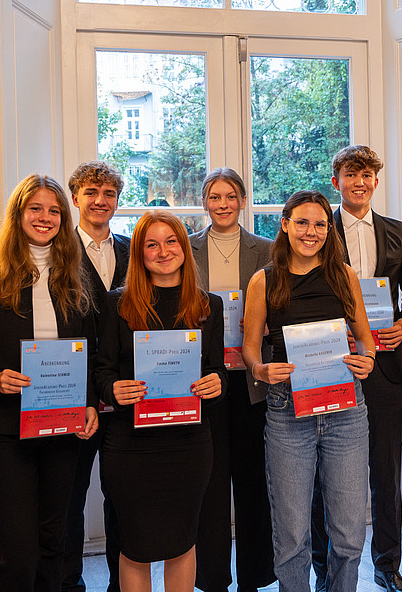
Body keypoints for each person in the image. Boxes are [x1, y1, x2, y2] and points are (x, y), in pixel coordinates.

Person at [0, 173, 99, 592]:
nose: (45, 217)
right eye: (35, 208)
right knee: (20, 551)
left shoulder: (78, 277)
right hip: (7, 430)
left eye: (54, 210)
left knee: (56, 541)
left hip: (64, 425)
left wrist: (90, 401)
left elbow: (92, 351)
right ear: (18, 214)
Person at [243, 190, 376, 592]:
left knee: (350, 534)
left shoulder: (344, 275)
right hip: (287, 412)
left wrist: (366, 360)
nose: (311, 231)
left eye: (320, 224)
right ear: (285, 224)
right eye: (302, 222)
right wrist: (261, 369)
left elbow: (365, 340)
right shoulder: (263, 280)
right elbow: (250, 347)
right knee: (292, 535)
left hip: (346, 411)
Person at [93, 210, 226, 592]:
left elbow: (217, 370)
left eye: (171, 241)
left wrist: (215, 383)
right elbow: (101, 372)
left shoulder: (208, 306)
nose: (163, 251)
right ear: (139, 253)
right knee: (135, 546)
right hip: (131, 448)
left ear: (184, 248)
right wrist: (113, 389)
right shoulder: (117, 303)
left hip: (188, 444)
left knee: (183, 541)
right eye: (152, 244)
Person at [312, 145, 402, 592]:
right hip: (330, 363)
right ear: (336, 181)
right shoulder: (316, 229)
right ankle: (325, 570)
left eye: (368, 175)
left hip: (386, 369)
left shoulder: (398, 231)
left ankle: (388, 565)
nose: (360, 182)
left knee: (385, 471)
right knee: (323, 474)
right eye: (351, 174)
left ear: (376, 182)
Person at [190, 168, 276, 592]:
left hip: (251, 381)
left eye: (230, 196)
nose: (222, 204)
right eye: (214, 197)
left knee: (253, 481)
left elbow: (276, 310)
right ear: (205, 202)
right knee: (209, 484)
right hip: (203, 382)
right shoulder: (184, 249)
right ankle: (213, 579)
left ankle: (254, 578)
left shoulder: (267, 249)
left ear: (242, 200)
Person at [62, 161, 131, 592]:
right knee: (69, 496)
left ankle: (120, 585)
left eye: (108, 193)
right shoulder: (56, 249)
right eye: (91, 192)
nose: (100, 200)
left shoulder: (133, 247)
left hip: (125, 390)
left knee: (121, 498)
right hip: (75, 389)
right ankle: (70, 583)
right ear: (75, 198)